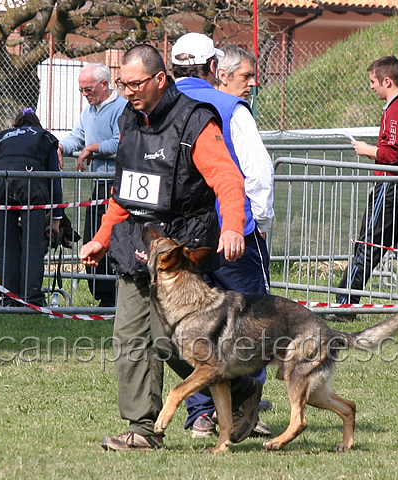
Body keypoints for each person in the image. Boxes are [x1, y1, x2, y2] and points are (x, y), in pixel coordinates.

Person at [79, 44, 262, 451]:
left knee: (167, 341)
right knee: (130, 339)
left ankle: (239, 385)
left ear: (161, 79)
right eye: (123, 84)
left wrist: (233, 227)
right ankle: (143, 430)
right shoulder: (129, 118)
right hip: (136, 245)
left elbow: (228, 180)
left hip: (181, 250)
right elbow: (124, 193)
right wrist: (102, 237)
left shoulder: (195, 121)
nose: (127, 92)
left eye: (135, 84)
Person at [171, 33, 275, 439]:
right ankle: (246, 400)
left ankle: (201, 414)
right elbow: (258, 174)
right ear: (215, 69)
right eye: (246, 75)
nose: (251, 83)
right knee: (254, 322)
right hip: (233, 236)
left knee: (194, 329)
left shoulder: (155, 108)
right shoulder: (231, 108)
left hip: (180, 240)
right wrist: (258, 227)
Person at [334, 55, 398, 318]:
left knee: (368, 243)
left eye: (373, 81)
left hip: (391, 186)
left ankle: (345, 302)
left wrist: (368, 150)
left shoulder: (396, 110)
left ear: (387, 81)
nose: (371, 87)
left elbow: (393, 152)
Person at [58, 63, 127, 307]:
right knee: (92, 238)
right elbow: (77, 135)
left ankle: (117, 296)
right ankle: (103, 295)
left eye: (88, 89)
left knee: (111, 240)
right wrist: (61, 147)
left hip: (118, 186)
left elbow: (123, 143)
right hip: (98, 187)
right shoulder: (89, 111)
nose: (85, 94)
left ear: (104, 85)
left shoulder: (122, 109)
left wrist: (93, 148)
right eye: (81, 90)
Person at [0, 108, 63, 307]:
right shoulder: (44, 138)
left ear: (17, 124)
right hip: (32, 189)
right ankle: (32, 299)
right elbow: (54, 180)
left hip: (0, 189)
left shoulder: (0, 138)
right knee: (32, 245)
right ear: (36, 124)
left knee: (7, 244)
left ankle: (9, 298)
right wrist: (57, 218)